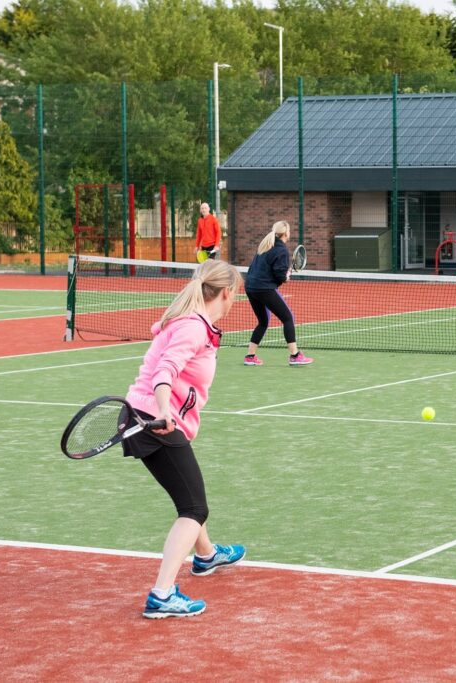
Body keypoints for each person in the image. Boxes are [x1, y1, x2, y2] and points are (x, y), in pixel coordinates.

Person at [124, 259, 246, 618]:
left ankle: (206, 556)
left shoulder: (192, 324)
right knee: (194, 509)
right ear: (226, 293)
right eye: (235, 294)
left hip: (151, 418)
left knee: (188, 491)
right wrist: (164, 411)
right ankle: (162, 594)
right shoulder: (192, 328)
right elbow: (165, 372)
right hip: (155, 420)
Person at [244, 221, 314, 365]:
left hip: (250, 287)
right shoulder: (281, 250)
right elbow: (279, 275)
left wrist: (282, 275)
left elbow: (263, 269)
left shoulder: (265, 245)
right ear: (286, 233)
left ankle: (250, 357)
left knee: (263, 322)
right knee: (288, 317)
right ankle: (295, 356)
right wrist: (285, 277)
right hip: (264, 288)